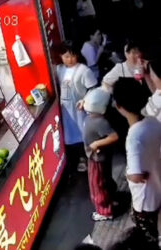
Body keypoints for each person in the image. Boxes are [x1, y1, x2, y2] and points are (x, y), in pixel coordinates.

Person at [113, 78, 161, 248]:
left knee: (147, 237)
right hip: (158, 189)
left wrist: (128, 174)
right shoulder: (154, 121)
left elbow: (135, 175)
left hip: (145, 199)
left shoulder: (133, 137)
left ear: (119, 107)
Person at [56, 40, 97, 174]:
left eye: (73, 56)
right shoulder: (59, 70)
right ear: (61, 56)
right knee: (68, 134)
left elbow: (93, 89)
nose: (70, 59)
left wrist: (84, 100)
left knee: (82, 133)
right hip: (65, 110)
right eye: (66, 56)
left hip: (79, 110)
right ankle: (73, 160)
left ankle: (84, 158)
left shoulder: (83, 70)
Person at [83, 87, 118, 221]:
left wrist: (97, 144)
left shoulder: (100, 122)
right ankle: (111, 198)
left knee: (97, 184)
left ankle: (104, 211)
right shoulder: (95, 117)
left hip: (97, 158)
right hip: (100, 156)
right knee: (105, 179)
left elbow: (114, 136)